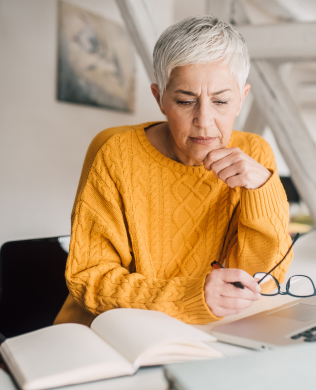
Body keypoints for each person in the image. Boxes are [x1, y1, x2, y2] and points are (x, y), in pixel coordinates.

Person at [54, 16, 293, 326]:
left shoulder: (255, 153)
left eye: (221, 101)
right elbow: (89, 279)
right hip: (107, 331)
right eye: (184, 101)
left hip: (206, 332)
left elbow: (262, 279)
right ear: (160, 98)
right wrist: (188, 296)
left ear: (241, 100)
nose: (204, 120)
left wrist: (264, 191)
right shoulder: (113, 152)